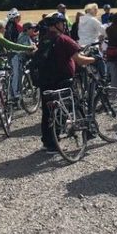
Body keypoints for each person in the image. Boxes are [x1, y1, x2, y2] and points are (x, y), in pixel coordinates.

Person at [37, 13, 96, 153]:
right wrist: (94, 59)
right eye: (62, 23)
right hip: (62, 80)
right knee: (70, 107)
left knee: (48, 112)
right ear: (56, 25)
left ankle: (48, 142)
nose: (64, 25)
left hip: (45, 81)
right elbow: (79, 59)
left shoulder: (44, 39)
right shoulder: (63, 39)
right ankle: (84, 132)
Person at [11, 22, 39, 99]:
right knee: (17, 77)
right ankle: (15, 95)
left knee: (19, 76)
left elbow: (32, 45)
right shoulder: (24, 37)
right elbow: (28, 51)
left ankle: (16, 93)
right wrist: (37, 50)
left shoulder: (25, 35)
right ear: (27, 29)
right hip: (18, 58)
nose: (34, 30)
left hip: (20, 58)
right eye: (32, 28)